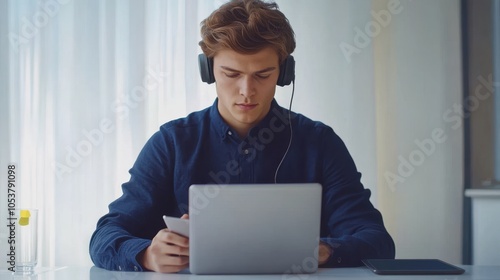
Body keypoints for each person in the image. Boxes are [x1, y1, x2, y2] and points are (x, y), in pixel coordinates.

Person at [89, 0, 395, 273]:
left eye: (263, 75)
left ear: (284, 73)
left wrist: (325, 251)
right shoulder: (172, 143)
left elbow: (377, 241)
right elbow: (105, 236)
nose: (247, 91)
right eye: (231, 74)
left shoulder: (320, 144)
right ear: (208, 71)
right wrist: (145, 255)